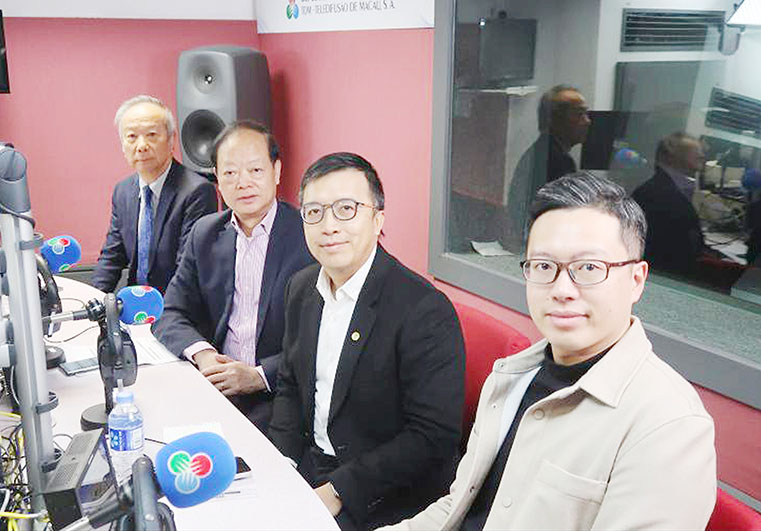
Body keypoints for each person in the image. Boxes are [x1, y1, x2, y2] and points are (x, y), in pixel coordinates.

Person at [384, 172, 716, 530]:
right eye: (544, 266)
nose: (562, 290)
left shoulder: (668, 425)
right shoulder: (511, 377)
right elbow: (458, 507)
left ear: (636, 280)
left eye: (588, 268)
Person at [268, 153, 465, 530]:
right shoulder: (301, 288)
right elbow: (290, 385)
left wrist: (338, 491)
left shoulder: (424, 309)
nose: (329, 226)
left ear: (378, 219)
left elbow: (432, 437)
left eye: (346, 209)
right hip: (314, 466)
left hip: (386, 493)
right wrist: (281, 463)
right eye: (314, 212)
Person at [153, 121, 313, 430]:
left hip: (281, 393)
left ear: (277, 171)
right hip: (216, 387)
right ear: (216, 177)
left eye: (255, 170)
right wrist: (204, 355)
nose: (243, 183)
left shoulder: (309, 236)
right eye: (230, 172)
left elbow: (321, 338)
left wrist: (258, 376)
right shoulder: (205, 233)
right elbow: (171, 312)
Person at [92, 95, 217, 294]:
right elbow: (111, 257)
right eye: (132, 137)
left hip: (178, 303)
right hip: (135, 301)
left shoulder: (197, 191)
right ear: (122, 144)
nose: (141, 146)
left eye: (151, 135)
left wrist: (161, 311)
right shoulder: (123, 191)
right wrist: (93, 299)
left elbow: (187, 269)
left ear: (171, 140)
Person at [506, 85, 591, 246]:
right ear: (555, 120)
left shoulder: (543, 152)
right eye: (579, 114)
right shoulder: (556, 161)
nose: (587, 121)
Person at [632, 131, 707, 275]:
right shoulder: (657, 194)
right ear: (670, 155)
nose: (702, 155)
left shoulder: (671, 189)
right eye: (696, 151)